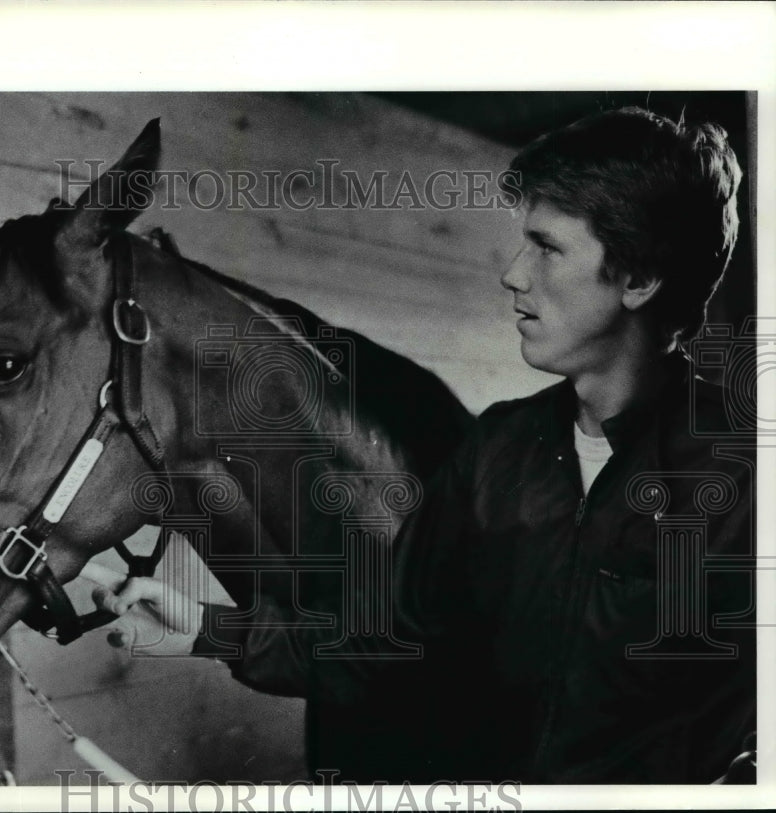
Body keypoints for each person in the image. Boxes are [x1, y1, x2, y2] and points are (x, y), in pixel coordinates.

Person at [93, 107, 756, 783]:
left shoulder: (745, 470)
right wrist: (207, 630)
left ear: (638, 279)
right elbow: (393, 646)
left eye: (547, 246)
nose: (514, 274)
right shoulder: (498, 448)